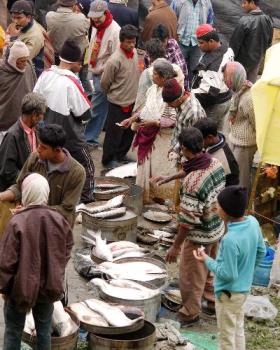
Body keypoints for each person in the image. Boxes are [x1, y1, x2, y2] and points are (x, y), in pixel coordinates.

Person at [153, 127, 226, 325]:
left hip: (199, 236)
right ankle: (212, 304)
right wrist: (169, 177)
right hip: (216, 229)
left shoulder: (193, 184)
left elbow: (186, 222)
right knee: (210, 270)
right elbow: (190, 168)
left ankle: (190, 313)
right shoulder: (215, 163)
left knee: (191, 277)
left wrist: (176, 247)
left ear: (185, 148)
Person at [0, 173, 74, 350]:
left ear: (26, 194)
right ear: (45, 193)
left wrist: (4, 287)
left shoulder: (17, 222)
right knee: (44, 331)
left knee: (13, 331)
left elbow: (7, 261)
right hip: (49, 287)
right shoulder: (59, 220)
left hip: (19, 289)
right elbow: (67, 248)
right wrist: (55, 270)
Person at [194, 185, 266, 350]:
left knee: (226, 337)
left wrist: (206, 259)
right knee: (237, 328)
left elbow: (228, 274)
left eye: (218, 205)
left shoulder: (230, 240)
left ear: (226, 211)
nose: (216, 208)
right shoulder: (253, 223)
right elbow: (261, 251)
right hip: (243, 290)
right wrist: (246, 272)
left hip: (228, 294)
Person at [34, 39, 95, 203]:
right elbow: (84, 113)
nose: (81, 66)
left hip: (45, 132)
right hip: (69, 136)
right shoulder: (71, 82)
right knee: (87, 166)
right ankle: (86, 202)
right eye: (80, 63)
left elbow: (35, 99)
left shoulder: (45, 75)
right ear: (75, 62)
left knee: (47, 167)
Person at [122, 58, 183, 203]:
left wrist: (155, 122)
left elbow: (175, 119)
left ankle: (162, 199)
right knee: (147, 170)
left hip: (164, 140)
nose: (152, 76)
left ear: (163, 77)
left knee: (161, 172)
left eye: (155, 74)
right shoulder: (152, 89)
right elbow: (146, 109)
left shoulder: (173, 93)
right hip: (148, 137)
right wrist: (132, 119)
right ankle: (148, 196)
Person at [0, 124, 86, 227]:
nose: (38, 149)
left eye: (43, 147)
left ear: (57, 150)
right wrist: (2, 196)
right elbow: (20, 186)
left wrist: (32, 210)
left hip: (57, 228)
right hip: (31, 223)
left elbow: (66, 209)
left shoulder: (76, 172)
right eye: (39, 144)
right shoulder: (35, 158)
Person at [101, 25, 140, 168]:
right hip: (117, 103)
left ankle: (120, 155)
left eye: (133, 41)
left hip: (132, 101)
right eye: (128, 42)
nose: (131, 45)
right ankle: (108, 159)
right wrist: (114, 94)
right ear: (121, 41)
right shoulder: (114, 60)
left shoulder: (135, 52)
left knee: (129, 132)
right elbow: (105, 83)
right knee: (114, 134)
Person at [85, 0, 120, 148]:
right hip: (93, 70)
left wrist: (103, 72)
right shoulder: (95, 25)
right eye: (93, 17)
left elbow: (116, 57)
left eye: (98, 17)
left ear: (106, 13)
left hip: (103, 74)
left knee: (97, 108)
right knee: (94, 106)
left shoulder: (115, 30)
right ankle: (88, 136)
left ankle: (88, 138)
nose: (95, 20)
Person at [0, 92, 46, 191]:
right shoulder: (12, 136)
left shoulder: (37, 130)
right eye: (42, 114)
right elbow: (7, 171)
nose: (43, 118)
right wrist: (29, 183)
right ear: (34, 115)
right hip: (18, 190)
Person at [223, 61, 257, 190]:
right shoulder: (238, 92)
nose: (224, 80)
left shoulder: (248, 98)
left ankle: (239, 208)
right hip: (235, 141)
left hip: (245, 145)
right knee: (234, 177)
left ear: (235, 77)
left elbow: (257, 124)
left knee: (240, 181)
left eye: (226, 77)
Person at [192, 24, 233, 129]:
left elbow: (210, 91)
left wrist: (189, 94)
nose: (199, 46)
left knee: (205, 133)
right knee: (218, 131)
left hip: (216, 104)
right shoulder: (227, 49)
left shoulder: (213, 66)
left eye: (201, 43)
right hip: (227, 98)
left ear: (211, 41)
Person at [0, 40, 37, 144]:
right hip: (2, 126)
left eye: (26, 60)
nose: (24, 64)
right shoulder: (2, 72)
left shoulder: (28, 68)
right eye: (21, 61)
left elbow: (34, 88)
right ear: (12, 59)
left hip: (23, 125)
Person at [162, 78, 206, 159]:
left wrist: (177, 151)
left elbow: (194, 141)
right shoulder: (180, 102)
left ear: (178, 99)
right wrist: (174, 148)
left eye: (169, 103)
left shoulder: (194, 113)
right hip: (180, 148)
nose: (168, 106)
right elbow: (180, 129)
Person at [230, 0, 273, 83]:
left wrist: (230, 60)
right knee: (249, 87)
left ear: (252, 2)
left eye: (244, 2)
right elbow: (269, 42)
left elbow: (234, 45)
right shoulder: (267, 19)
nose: (242, 5)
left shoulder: (244, 21)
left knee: (237, 86)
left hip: (241, 63)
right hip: (257, 61)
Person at [171, 0, 213, 82]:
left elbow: (210, 21)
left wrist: (205, 38)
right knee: (177, 69)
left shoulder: (206, 3)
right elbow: (171, 18)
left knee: (195, 70)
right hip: (180, 41)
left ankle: (190, 91)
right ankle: (179, 91)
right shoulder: (178, 2)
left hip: (198, 44)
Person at [194, 118, 240, 187]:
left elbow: (231, 189)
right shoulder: (212, 143)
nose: (197, 143)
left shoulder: (226, 163)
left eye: (199, 140)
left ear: (210, 138)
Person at [144, 24, 188, 89]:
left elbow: (182, 69)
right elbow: (148, 73)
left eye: (163, 42)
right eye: (159, 42)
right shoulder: (150, 50)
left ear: (168, 38)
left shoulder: (173, 45)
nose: (161, 45)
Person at [10, 0, 46, 76]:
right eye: (13, 17)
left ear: (29, 17)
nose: (15, 21)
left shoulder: (35, 36)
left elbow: (19, 61)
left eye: (19, 18)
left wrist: (13, 38)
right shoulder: (23, 25)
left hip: (31, 75)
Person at [133, 38, 166, 112]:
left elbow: (141, 96)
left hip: (148, 110)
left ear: (148, 54)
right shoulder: (169, 67)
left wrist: (135, 113)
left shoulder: (147, 73)